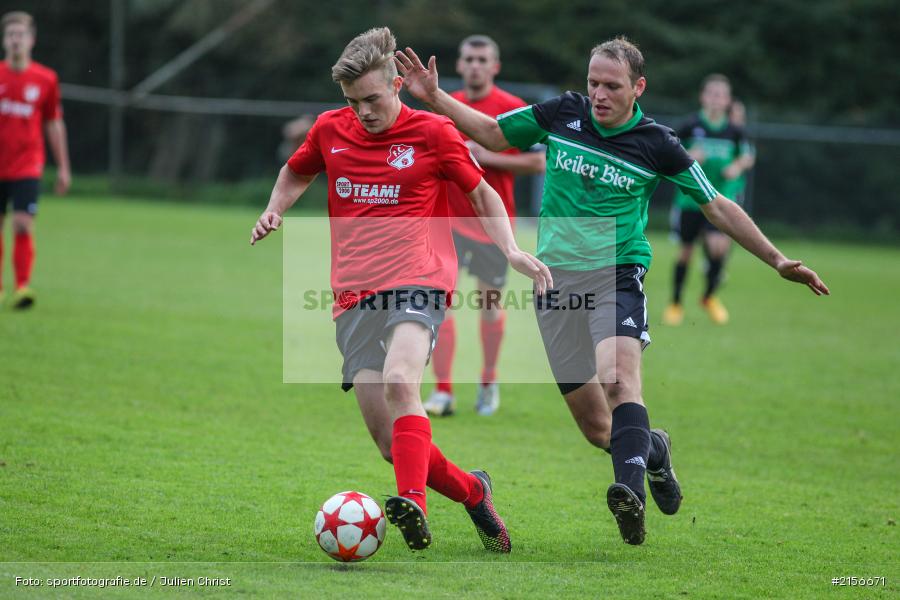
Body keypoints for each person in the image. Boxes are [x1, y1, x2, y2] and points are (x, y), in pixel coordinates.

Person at [396, 38, 828, 545]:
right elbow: (493, 135)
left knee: (620, 379)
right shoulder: (563, 113)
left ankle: (629, 494)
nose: (599, 94)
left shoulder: (657, 143)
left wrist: (776, 259)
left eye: (612, 86)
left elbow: (715, 205)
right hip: (554, 281)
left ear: (637, 88)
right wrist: (434, 97)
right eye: (593, 83)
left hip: (616, 273)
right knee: (600, 430)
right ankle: (656, 453)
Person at [249, 27, 552, 554]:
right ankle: (475, 492)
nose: (363, 111)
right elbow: (295, 172)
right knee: (394, 445)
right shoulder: (329, 129)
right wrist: (276, 208)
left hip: (420, 278)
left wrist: (509, 249)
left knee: (400, 379)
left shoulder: (434, 133)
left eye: (371, 99)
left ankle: (413, 502)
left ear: (395, 84)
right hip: (352, 295)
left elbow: (481, 192)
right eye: (352, 101)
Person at [424, 35, 545, 417]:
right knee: (439, 304)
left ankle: (488, 381)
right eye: (468, 59)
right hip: (447, 222)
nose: (475, 65)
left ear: (495, 66)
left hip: (494, 223)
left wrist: (487, 156)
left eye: (482, 59)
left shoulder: (511, 109)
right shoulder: (447, 106)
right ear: (458, 66)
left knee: (489, 306)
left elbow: (539, 163)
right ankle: (443, 392)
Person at [663, 75, 755, 326]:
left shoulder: (735, 131)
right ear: (703, 97)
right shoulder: (690, 126)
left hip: (719, 201)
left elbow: (747, 156)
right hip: (690, 201)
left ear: (727, 100)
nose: (715, 100)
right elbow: (667, 152)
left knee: (718, 248)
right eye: (711, 94)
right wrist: (687, 155)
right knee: (685, 253)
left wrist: (737, 166)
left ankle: (708, 297)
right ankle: (675, 304)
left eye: (721, 95)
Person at [0, 11, 71, 309]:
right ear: (5, 40)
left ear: (32, 40)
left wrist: (64, 167)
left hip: (28, 164)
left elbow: (54, 123)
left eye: (21, 35)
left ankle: (22, 287)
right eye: (11, 35)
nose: (16, 40)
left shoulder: (46, 79)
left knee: (22, 223)